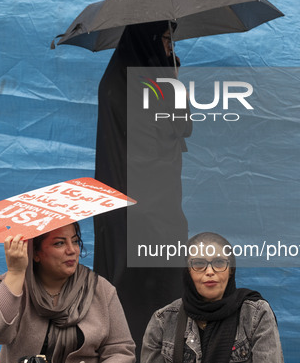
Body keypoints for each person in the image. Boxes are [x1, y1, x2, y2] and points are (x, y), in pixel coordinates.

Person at [93, 20, 192, 357]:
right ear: (148, 40)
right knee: (146, 290)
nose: (170, 47)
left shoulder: (119, 79)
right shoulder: (141, 84)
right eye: (166, 40)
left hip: (140, 207)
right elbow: (173, 132)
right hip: (146, 211)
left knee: (150, 286)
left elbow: (180, 128)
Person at [0, 222, 136, 363]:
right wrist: (15, 272)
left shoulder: (101, 289)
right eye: (59, 243)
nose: (72, 250)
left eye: (75, 241)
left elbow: (120, 349)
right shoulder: (13, 285)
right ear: (35, 253)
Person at [141, 232, 283, 363]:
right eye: (199, 264)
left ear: (231, 270)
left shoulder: (255, 315)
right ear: (188, 270)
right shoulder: (163, 320)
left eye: (219, 263)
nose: (209, 271)